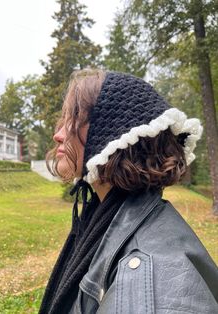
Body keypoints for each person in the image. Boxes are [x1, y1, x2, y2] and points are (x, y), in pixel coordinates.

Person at [39, 69, 218, 314]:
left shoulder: (149, 275)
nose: (58, 134)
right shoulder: (102, 217)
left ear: (116, 136)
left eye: (78, 118)